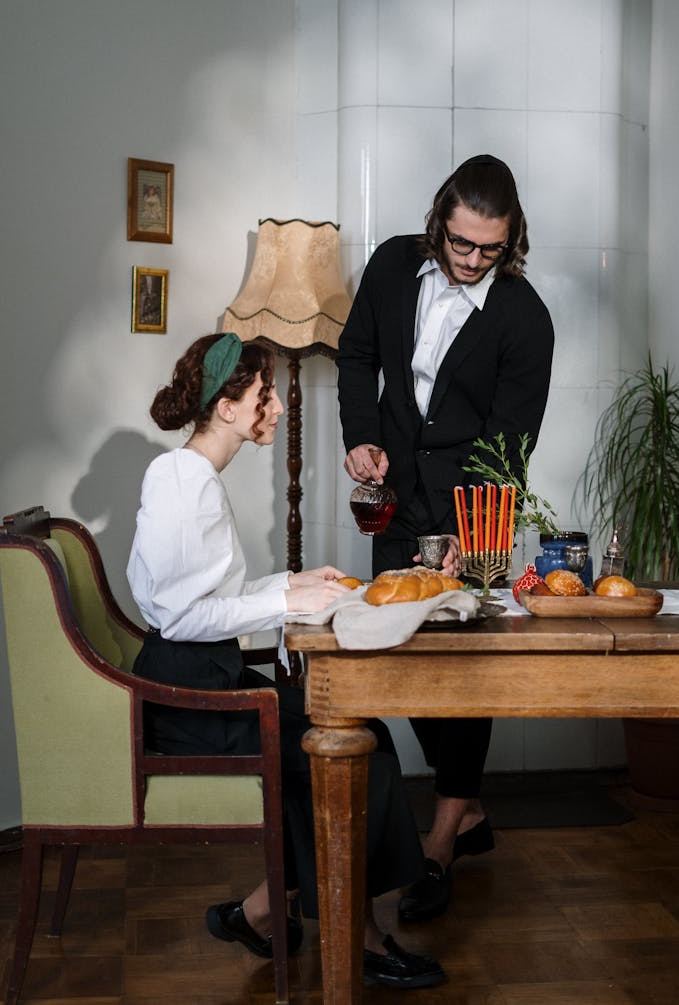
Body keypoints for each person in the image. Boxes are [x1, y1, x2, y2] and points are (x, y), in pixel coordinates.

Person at [126, 331, 445, 990]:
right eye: (264, 395)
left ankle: (265, 909)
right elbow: (180, 615)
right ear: (226, 407)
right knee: (339, 745)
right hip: (190, 699)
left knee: (359, 731)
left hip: (205, 677)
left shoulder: (193, 476)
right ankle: (358, 937)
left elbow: (206, 598)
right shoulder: (181, 482)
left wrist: (296, 585)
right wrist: (281, 603)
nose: (274, 407)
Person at [337, 154, 554, 922]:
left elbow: (510, 444)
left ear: (510, 240)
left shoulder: (526, 318)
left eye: (488, 249)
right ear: (440, 223)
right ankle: (468, 810)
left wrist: (474, 537)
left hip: (474, 515)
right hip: (395, 501)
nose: (469, 261)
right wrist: (360, 436)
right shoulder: (394, 264)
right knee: (397, 657)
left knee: (463, 680)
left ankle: (439, 839)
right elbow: (359, 356)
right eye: (460, 243)